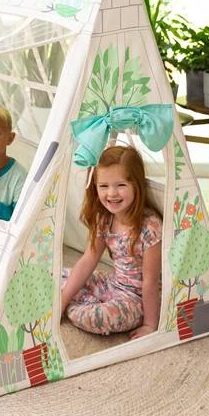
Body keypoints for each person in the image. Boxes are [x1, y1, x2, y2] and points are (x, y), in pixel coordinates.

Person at [61, 145, 162, 340]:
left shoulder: (150, 227)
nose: (112, 193)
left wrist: (150, 325)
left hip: (136, 300)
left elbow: (150, 282)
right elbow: (88, 260)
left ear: (136, 185)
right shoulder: (105, 219)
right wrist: (63, 300)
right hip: (112, 285)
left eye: (121, 185)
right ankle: (71, 301)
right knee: (58, 274)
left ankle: (81, 306)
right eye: (104, 186)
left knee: (97, 318)